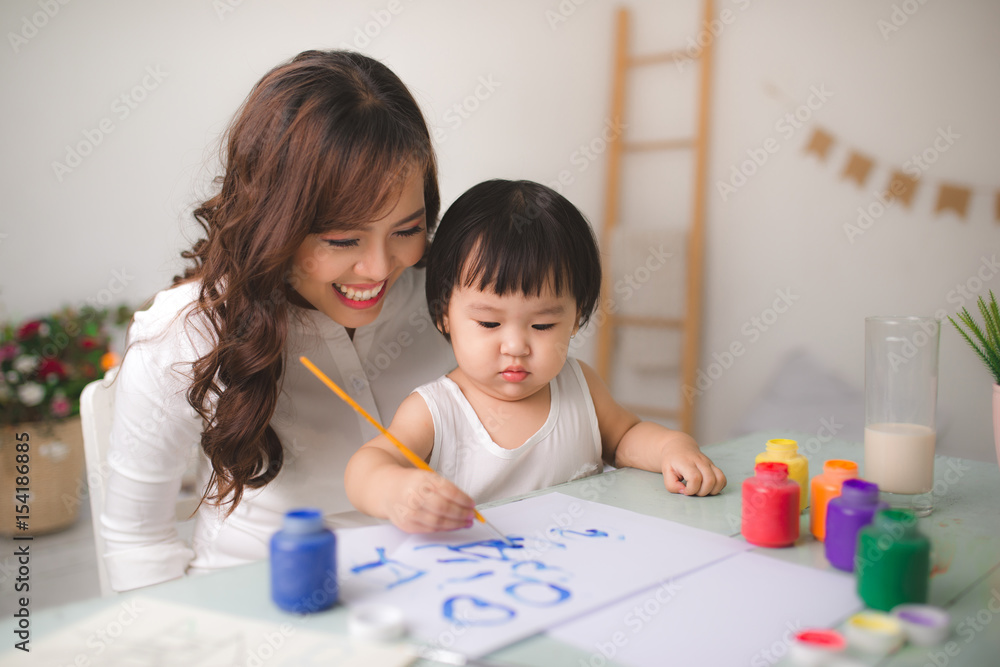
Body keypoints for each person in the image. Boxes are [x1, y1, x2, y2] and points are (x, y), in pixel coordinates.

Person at [100, 50, 455, 592]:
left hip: (435, 591)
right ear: (276, 220)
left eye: (407, 230)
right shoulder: (183, 334)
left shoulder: (452, 300)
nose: (381, 268)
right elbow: (137, 544)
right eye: (342, 240)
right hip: (254, 605)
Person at [344, 180, 727, 533]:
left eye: (542, 326)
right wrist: (397, 490)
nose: (515, 346)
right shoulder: (436, 410)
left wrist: (671, 447)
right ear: (445, 315)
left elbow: (624, 437)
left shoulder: (579, 386)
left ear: (576, 319)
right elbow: (367, 467)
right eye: (489, 323)